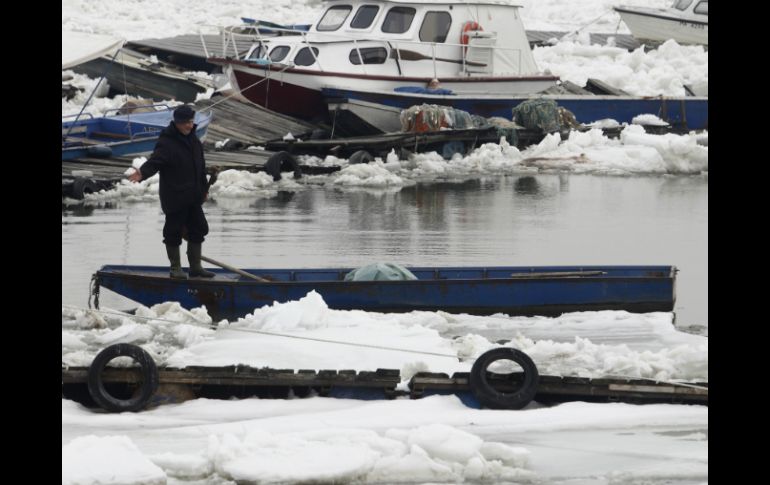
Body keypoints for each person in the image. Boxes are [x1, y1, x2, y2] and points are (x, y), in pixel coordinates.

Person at [127, 104, 214, 279]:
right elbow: (156, 161)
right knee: (173, 232)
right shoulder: (167, 142)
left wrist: (203, 189)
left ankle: (195, 267)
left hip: (193, 196)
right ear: (176, 123)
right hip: (175, 196)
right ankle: (176, 269)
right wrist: (142, 172)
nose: (189, 126)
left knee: (199, 228)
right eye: (185, 123)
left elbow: (201, 167)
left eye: (191, 121)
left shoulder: (194, 140)